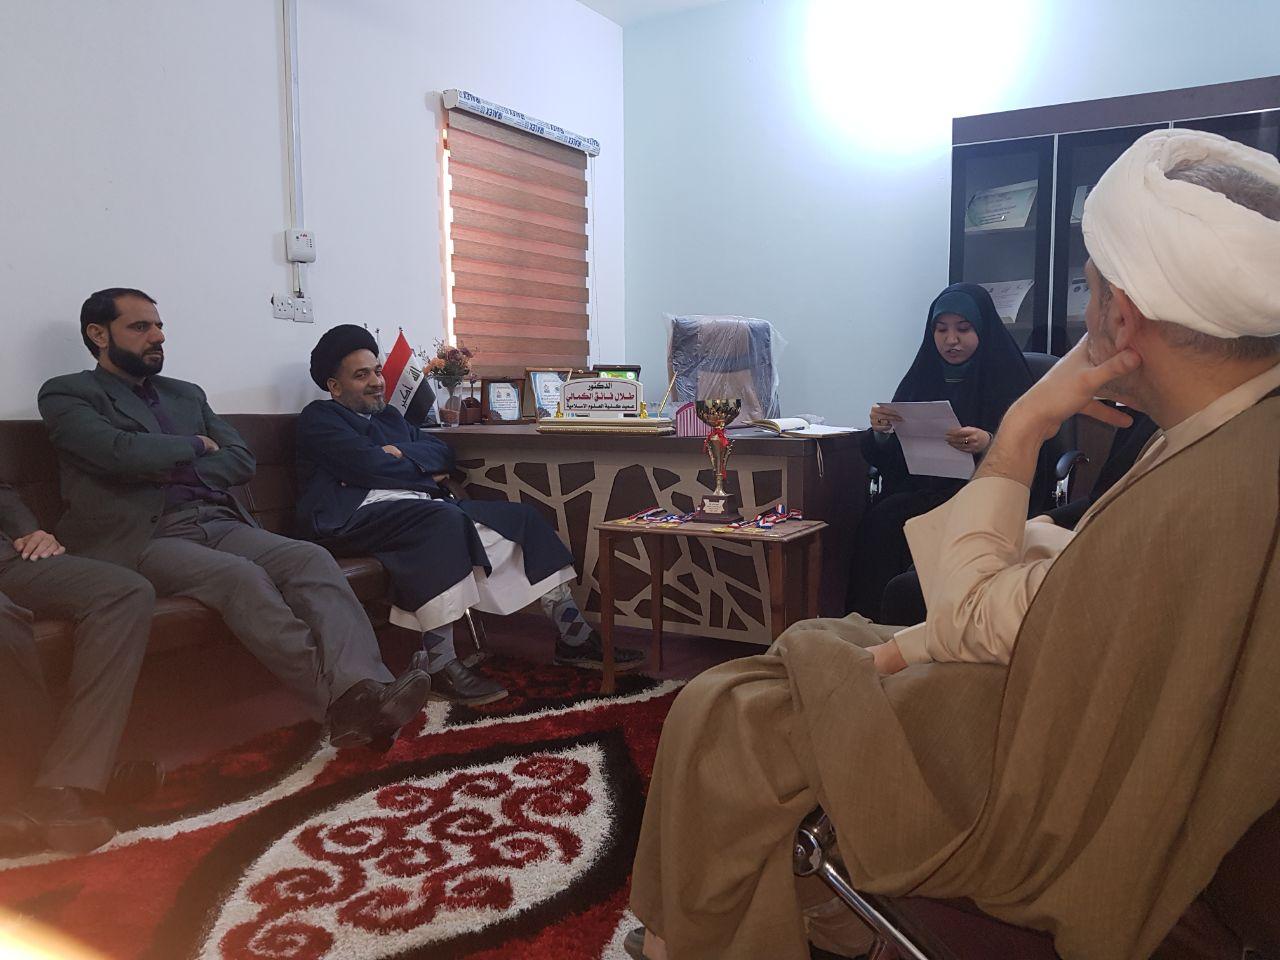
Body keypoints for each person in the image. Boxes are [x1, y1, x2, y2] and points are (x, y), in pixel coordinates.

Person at [626, 129, 1280, 960]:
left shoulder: (1205, 486)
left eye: (1089, 289)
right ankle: (796, 920)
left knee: (724, 704)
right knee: (827, 632)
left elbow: (983, 609)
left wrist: (1023, 424)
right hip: (1062, 701)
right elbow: (1084, 586)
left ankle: (695, 940)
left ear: (1122, 317)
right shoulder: (1236, 433)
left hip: (1031, 766)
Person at [37, 289, 430, 751]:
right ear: (98, 334)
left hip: (220, 521)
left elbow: (241, 459)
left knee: (310, 559)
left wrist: (169, 464)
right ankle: (348, 705)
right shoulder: (68, 393)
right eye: (140, 327)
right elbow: (115, 453)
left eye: (159, 326)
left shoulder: (186, 394)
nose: (157, 336)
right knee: (239, 578)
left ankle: (362, 688)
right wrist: (195, 445)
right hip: (143, 535)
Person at [295, 326, 644, 702]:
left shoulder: (390, 419)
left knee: (520, 519)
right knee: (443, 524)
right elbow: (367, 467)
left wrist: (401, 454)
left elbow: (443, 454)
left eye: (377, 371)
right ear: (334, 386)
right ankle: (439, 663)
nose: (376, 382)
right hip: (355, 518)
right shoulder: (319, 419)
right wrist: (412, 465)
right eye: (361, 375)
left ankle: (573, 637)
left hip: (419, 507)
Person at [846, 283, 1047, 620]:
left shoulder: (1009, 377)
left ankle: (938, 629)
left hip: (983, 496)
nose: (951, 340)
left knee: (949, 533)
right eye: (941, 330)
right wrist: (882, 433)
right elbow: (891, 459)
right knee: (881, 522)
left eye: (963, 329)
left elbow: (1038, 445)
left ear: (982, 329)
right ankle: (870, 626)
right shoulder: (922, 375)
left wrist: (989, 443)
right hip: (924, 492)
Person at [879, 408, 1158, 626]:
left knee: (913, 587)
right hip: (935, 493)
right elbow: (1101, 498)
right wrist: (882, 432)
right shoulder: (1144, 417)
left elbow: (1113, 509)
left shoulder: (1161, 434)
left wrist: (1000, 437)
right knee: (901, 537)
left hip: (1097, 552)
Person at [0, 484, 155, 855]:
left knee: (125, 592)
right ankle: (57, 788)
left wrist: (29, 530)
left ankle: (67, 775)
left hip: (6, 557)